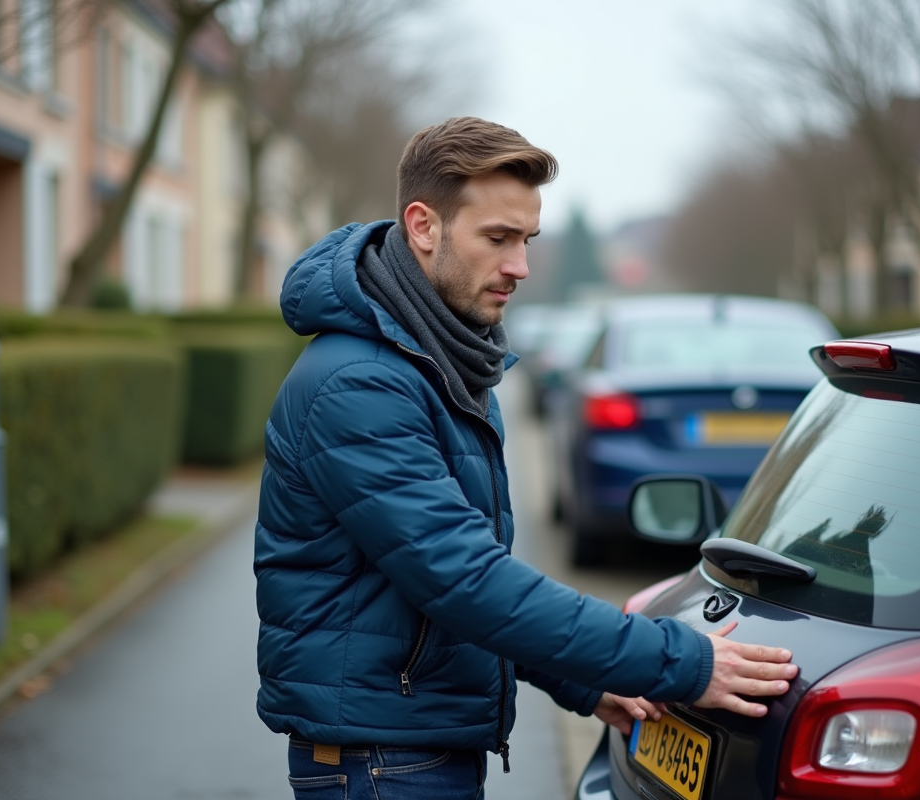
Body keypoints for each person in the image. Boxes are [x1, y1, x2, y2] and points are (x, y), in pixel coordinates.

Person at [254, 117, 797, 800]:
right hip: (381, 761)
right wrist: (679, 663)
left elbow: (462, 577)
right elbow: (464, 578)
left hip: (410, 745)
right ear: (423, 226)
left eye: (527, 240)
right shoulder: (361, 382)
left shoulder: (437, 357)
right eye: (497, 238)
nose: (520, 266)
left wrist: (582, 678)